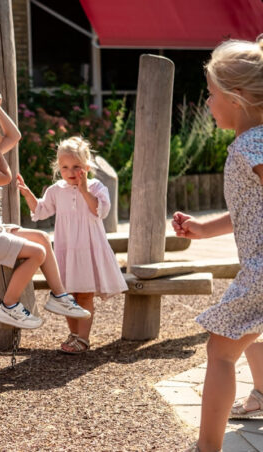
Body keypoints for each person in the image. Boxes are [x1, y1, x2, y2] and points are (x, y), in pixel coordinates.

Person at [170, 37, 263, 452]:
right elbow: (249, 210)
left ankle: (207, 448)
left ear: (237, 98)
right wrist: (205, 230)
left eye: (211, 95)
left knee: (220, 351)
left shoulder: (250, 145)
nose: (207, 103)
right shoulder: (253, 143)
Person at [0, 86, 91, 330]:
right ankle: (9, 305)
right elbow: (5, 178)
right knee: (37, 253)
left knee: (41, 237)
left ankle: (60, 296)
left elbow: (14, 136)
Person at [16, 136, 127, 353]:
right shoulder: (56, 190)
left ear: (86, 167)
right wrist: (27, 193)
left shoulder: (96, 187)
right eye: (65, 167)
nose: (70, 171)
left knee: (84, 294)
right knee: (68, 295)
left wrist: (84, 189)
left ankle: (83, 339)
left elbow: (99, 212)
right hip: (67, 250)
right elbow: (40, 211)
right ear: (58, 168)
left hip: (89, 249)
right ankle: (74, 335)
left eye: (76, 167)